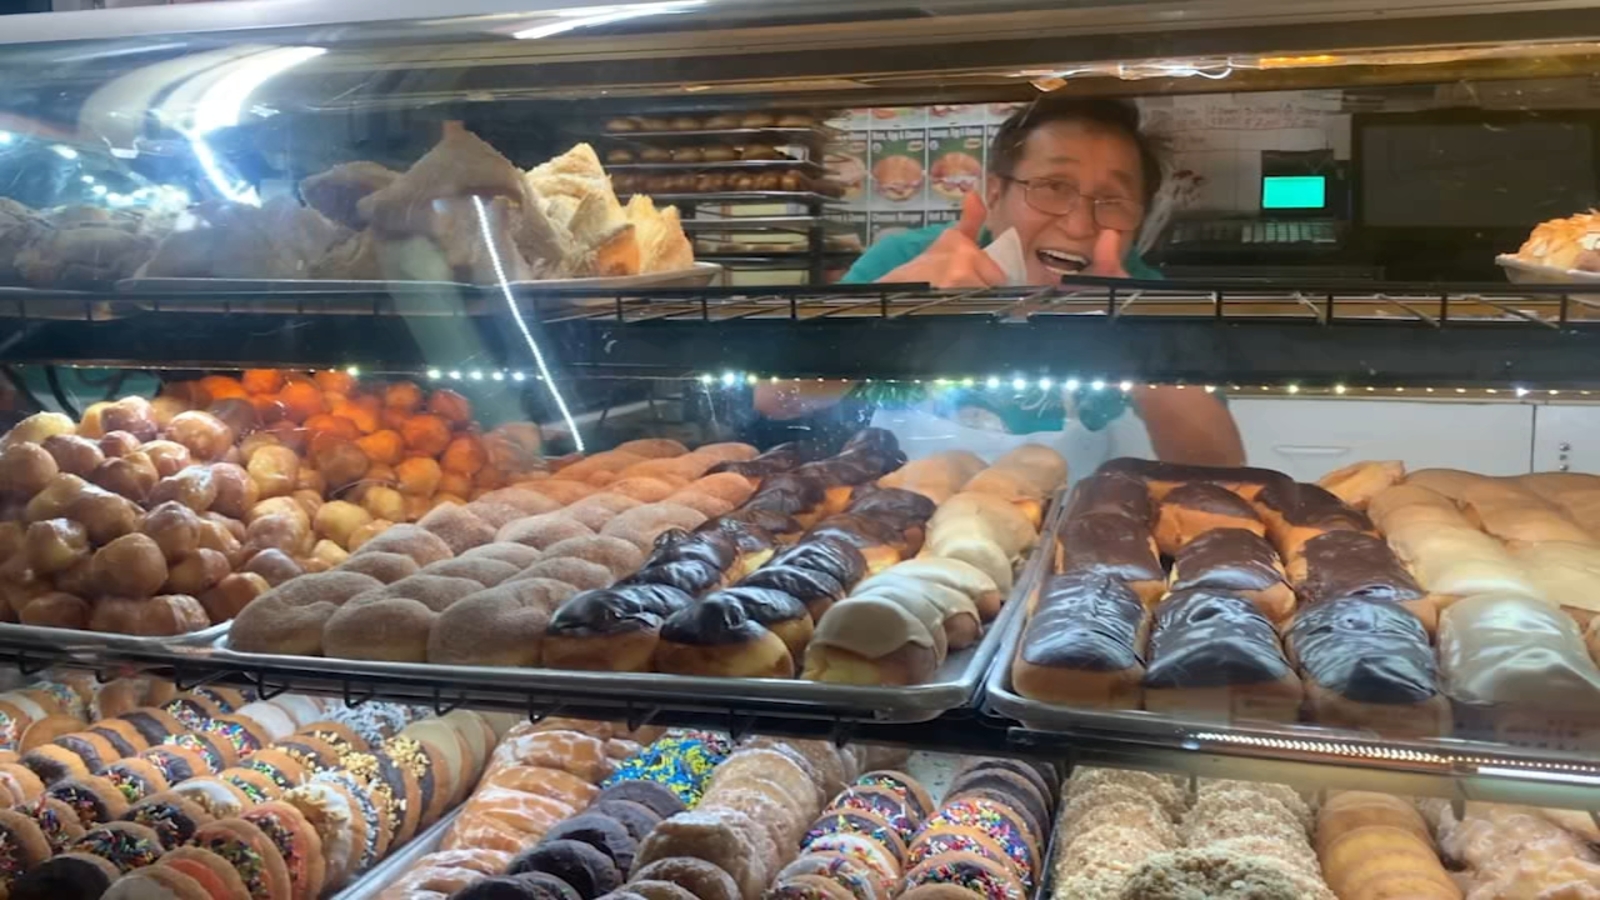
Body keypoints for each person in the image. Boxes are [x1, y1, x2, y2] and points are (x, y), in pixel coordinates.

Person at [752, 96, 1244, 472]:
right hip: (897, 534)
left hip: (1072, 548)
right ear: (993, 192)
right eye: (1054, 187)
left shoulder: (1139, 288)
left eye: (1113, 199)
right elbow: (776, 400)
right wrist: (896, 306)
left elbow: (1218, 468)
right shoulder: (906, 259)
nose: (1078, 224)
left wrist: (1130, 338)